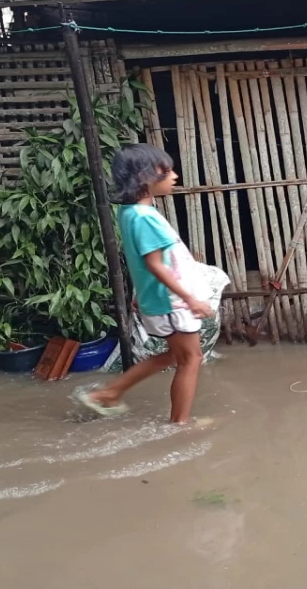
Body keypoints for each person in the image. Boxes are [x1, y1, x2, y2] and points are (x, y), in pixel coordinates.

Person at [76, 144, 216, 424]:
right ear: (144, 176)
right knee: (192, 359)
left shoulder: (130, 213)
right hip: (171, 303)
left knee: (176, 357)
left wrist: (140, 292)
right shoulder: (145, 218)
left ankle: (110, 393)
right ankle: (180, 423)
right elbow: (155, 264)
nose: (175, 175)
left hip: (159, 300)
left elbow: (142, 260)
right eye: (167, 171)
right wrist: (190, 298)